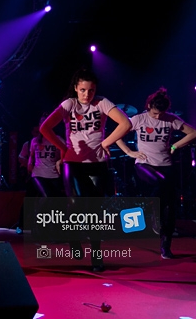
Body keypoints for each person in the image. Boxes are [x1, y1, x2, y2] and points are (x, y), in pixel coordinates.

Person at [40, 68, 132, 271]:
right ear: (76, 88)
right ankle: (73, 236)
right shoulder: (69, 104)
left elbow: (125, 124)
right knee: (77, 204)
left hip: (97, 164)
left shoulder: (101, 103)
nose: (87, 95)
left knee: (95, 211)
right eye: (82, 90)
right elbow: (44, 128)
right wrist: (63, 147)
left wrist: (105, 143)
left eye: (91, 90)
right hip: (72, 163)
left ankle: (96, 256)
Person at [114, 88, 196, 259]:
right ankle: (149, 214)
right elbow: (117, 135)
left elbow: (194, 132)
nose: (158, 117)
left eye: (161, 113)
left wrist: (175, 145)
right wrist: (129, 152)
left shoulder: (171, 119)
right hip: (144, 164)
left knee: (169, 206)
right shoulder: (139, 119)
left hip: (166, 165)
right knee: (161, 184)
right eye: (155, 113)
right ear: (149, 106)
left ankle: (165, 246)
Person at [28, 114, 64, 198]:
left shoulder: (58, 139)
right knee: (46, 196)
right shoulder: (35, 140)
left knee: (54, 198)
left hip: (54, 175)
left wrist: (60, 161)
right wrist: (29, 163)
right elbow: (31, 155)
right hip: (38, 174)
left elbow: (66, 152)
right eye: (42, 123)